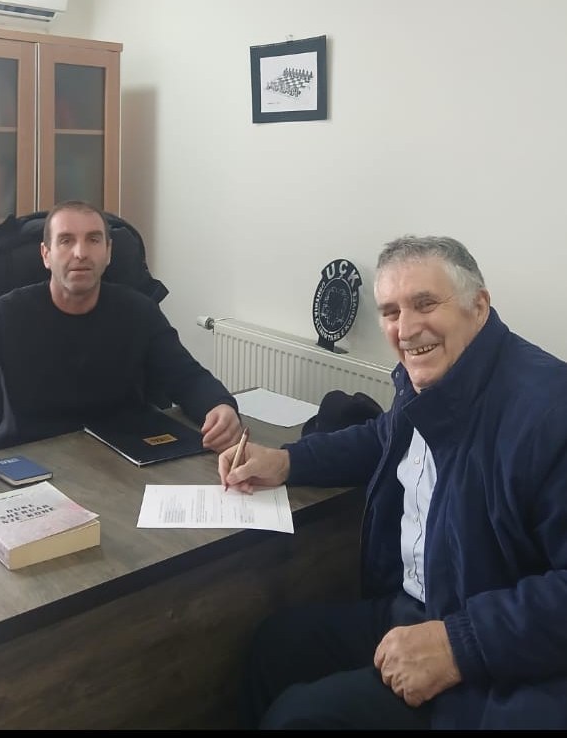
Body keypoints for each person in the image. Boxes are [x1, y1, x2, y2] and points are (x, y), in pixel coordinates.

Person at [218, 235, 567, 730]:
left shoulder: (549, 410)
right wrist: (286, 461)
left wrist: (458, 645)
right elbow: (382, 438)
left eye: (425, 303)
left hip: (492, 655)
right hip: (416, 609)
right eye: (390, 312)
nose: (405, 328)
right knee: (276, 646)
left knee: (300, 717)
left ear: (478, 305)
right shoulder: (429, 378)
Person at [0, 200, 242, 492]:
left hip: (127, 464)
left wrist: (219, 405)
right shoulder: (4, 314)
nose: (80, 252)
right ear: (46, 254)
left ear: (108, 252)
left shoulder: (138, 310)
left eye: (93, 240)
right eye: (66, 240)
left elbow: (186, 376)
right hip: (37, 465)